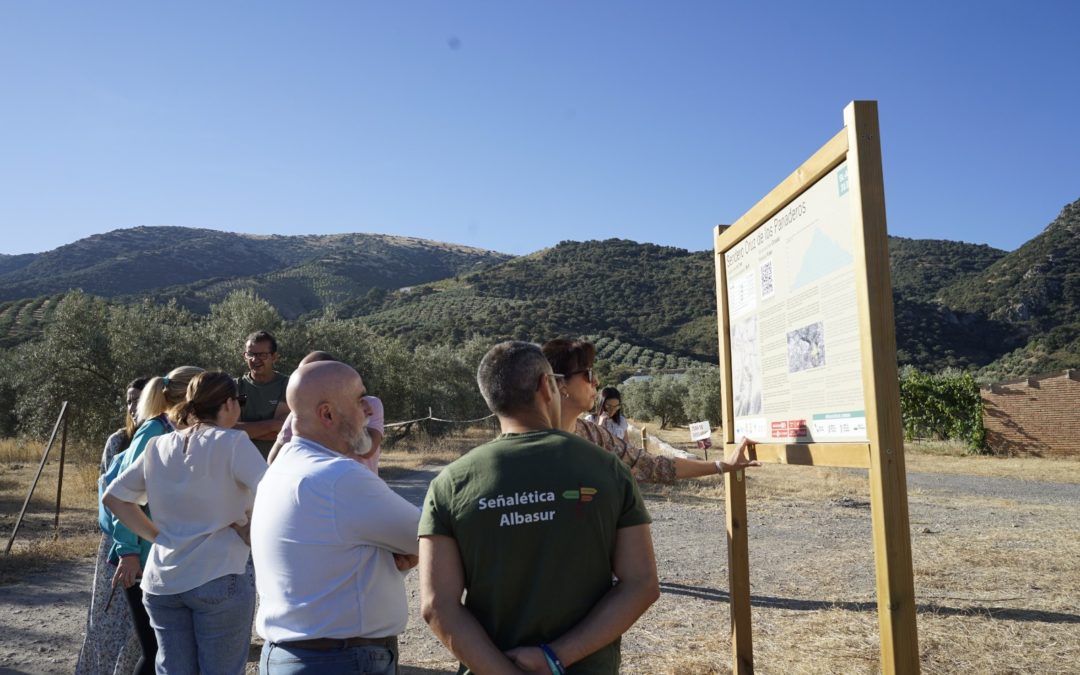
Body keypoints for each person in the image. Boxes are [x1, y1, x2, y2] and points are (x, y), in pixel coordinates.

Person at [418, 341, 660, 674]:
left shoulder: (449, 484)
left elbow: (437, 606)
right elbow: (642, 584)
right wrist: (554, 656)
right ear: (547, 387)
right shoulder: (608, 470)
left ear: (491, 399)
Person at [251, 361, 421, 674]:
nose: (368, 410)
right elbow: (431, 535)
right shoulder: (338, 476)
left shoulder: (280, 469)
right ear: (328, 413)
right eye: (360, 400)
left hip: (293, 656)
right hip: (339, 660)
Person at [104, 371, 267, 675]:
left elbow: (114, 498)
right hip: (218, 575)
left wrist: (157, 536)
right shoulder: (234, 442)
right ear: (229, 403)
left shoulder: (159, 445)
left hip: (162, 581)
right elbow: (275, 492)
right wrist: (251, 530)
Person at [543, 339, 760, 484]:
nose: (597, 382)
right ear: (561, 384)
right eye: (588, 375)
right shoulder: (526, 440)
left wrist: (722, 465)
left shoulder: (594, 435)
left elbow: (653, 465)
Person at [109, 365, 204, 675]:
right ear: (192, 396)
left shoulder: (181, 430)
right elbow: (120, 493)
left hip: (165, 556)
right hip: (142, 557)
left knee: (169, 651)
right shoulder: (154, 430)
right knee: (155, 652)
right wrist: (129, 551)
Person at [76, 377, 148, 675]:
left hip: (146, 539)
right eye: (129, 400)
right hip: (118, 541)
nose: (133, 407)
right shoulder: (118, 441)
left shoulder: (161, 436)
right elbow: (108, 496)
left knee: (140, 624)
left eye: (139, 400)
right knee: (109, 614)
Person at [265, 351, 386, 475]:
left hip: (360, 485)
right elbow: (274, 460)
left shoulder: (369, 404)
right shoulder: (299, 413)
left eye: (309, 377)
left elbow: (366, 450)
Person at [235, 330, 290, 459]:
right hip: (241, 464)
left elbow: (282, 431)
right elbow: (231, 429)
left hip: (276, 464)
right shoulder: (236, 387)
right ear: (245, 356)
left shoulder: (288, 386)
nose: (255, 360)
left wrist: (247, 429)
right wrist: (272, 425)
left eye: (262, 355)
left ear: (274, 357)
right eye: (251, 354)